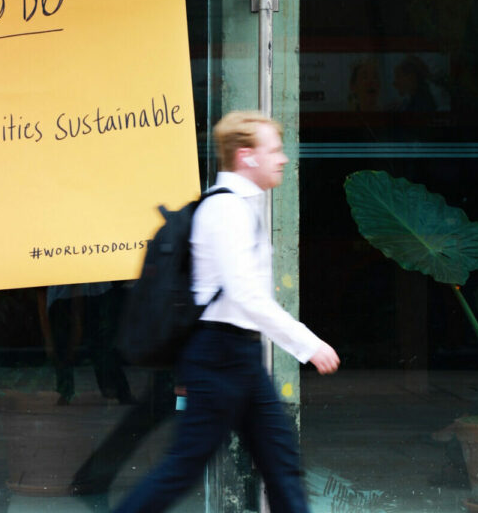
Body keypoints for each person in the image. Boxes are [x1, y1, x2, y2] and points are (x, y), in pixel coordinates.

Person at [113, 111, 340, 513]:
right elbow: (246, 296)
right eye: (274, 150)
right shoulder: (227, 211)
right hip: (218, 355)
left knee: (281, 464)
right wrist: (307, 344)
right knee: (182, 468)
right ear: (247, 156)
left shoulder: (238, 207)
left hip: (238, 356)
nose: (283, 158)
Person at [37, 283, 134, 405]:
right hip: (72, 294)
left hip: (80, 293)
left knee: (98, 343)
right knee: (94, 342)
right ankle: (115, 389)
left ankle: (115, 388)